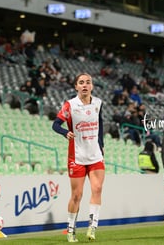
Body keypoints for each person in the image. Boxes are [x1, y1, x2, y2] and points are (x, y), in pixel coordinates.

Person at [52, 73, 105, 242]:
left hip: (95, 154)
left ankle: (92, 227)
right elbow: (55, 124)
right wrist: (64, 132)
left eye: (88, 82)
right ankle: (70, 229)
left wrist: (101, 145)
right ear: (76, 86)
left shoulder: (98, 103)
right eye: (81, 83)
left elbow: (101, 123)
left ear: (92, 86)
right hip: (77, 156)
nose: (84, 85)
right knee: (77, 195)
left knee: (97, 189)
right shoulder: (70, 105)